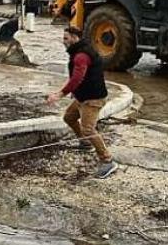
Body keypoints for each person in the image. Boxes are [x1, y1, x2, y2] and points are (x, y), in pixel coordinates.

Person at [46, 26, 117, 179]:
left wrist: (60, 94)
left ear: (74, 38)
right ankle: (85, 143)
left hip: (92, 99)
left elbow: (77, 78)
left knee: (88, 130)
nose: (63, 41)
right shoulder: (80, 50)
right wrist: (75, 93)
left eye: (66, 38)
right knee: (69, 118)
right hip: (82, 97)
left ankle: (108, 160)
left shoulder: (81, 56)